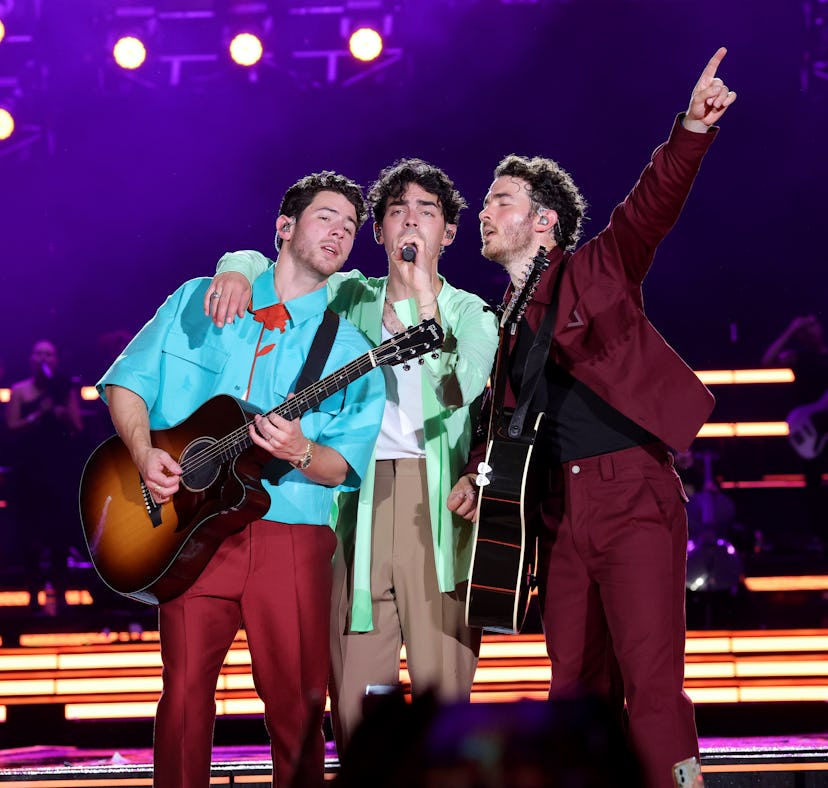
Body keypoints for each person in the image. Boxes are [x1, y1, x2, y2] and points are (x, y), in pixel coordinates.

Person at [448, 48, 736, 788]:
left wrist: (691, 131)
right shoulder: (499, 324)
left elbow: (649, 209)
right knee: (575, 691)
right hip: (557, 514)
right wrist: (476, 475)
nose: (485, 212)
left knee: (651, 684)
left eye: (501, 200)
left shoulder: (596, 270)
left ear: (544, 220)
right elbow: (502, 426)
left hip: (630, 491)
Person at [96, 171, 386, 788]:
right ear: (284, 227)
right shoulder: (197, 298)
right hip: (187, 530)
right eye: (326, 216)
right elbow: (127, 383)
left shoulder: (352, 349)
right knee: (182, 698)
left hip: (290, 535)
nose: (339, 232)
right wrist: (144, 453)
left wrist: (302, 449)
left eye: (350, 226)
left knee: (298, 707)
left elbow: (345, 465)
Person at [208, 159, 499, 755]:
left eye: (426, 211)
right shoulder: (347, 294)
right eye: (396, 211)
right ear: (379, 232)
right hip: (351, 500)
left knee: (442, 694)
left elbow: (456, 389)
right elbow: (280, 265)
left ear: (448, 233)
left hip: (437, 505)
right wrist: (234, 267)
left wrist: (424, 298)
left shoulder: (472, 314)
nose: (410, 220)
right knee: (359, 697)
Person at [6, 339, 84, 612]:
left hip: (58, 471)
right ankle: (32, 597)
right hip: (29, 472)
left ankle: (61, 596)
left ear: (55, 360)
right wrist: (38, 414)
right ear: (31, 359)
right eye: (38, 353)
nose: (43, 358)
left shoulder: (64, 390)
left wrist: (62, 412)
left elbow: (77, 426)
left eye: (48, 354)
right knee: (30, 536)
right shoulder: (19, 390)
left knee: (59, 534)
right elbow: (11, 425)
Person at [762, 314, 828, 550]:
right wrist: (791, 329)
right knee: (813, 484)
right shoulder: (800, 357)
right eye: (804, 329)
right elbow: (768, 360)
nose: (810, 331)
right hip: (811, 427)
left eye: (812, 325)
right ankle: (819, 536)